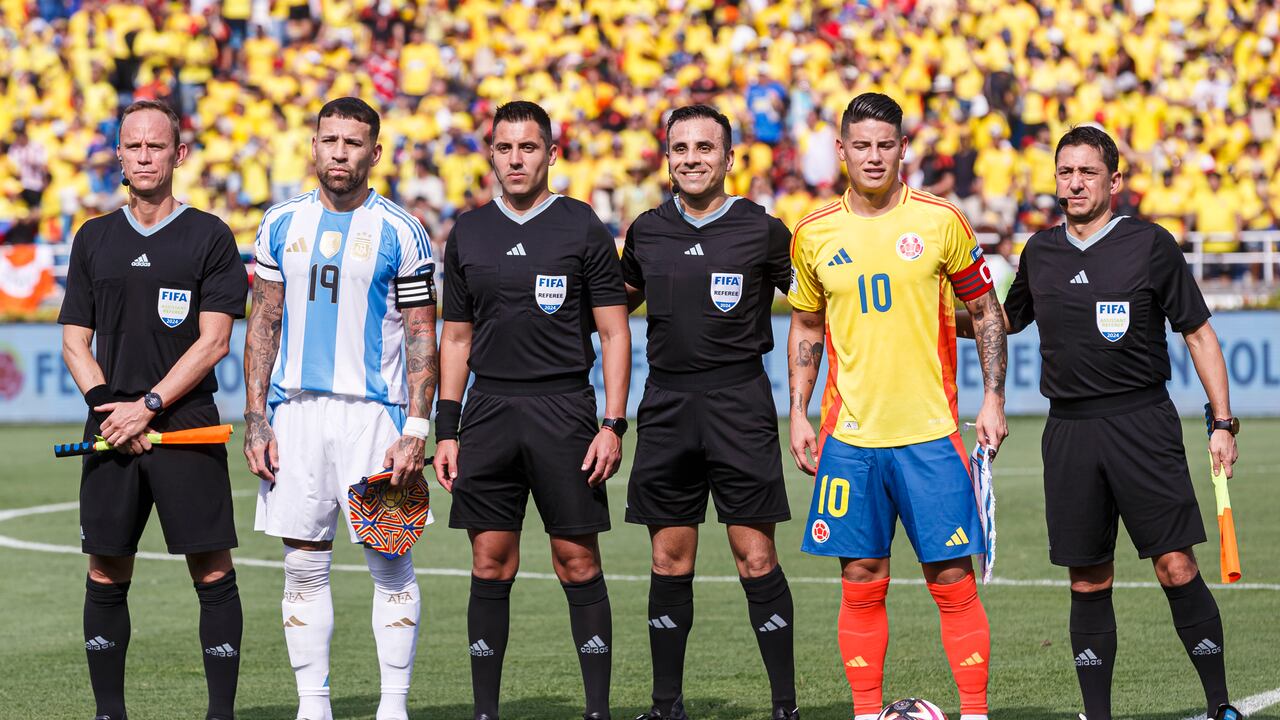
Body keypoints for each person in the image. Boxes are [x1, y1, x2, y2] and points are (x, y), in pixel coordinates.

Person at [994, 126, 1241, 720]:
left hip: (1142, 423)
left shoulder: (1151, 245)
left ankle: (1220, 705)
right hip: (1069, 432)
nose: (1074, 183)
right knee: (1087, 578)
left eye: (1087, 172)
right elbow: (1001, 323)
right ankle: (1097, 714)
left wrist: (1224, 422)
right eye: (1065, 173)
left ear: (1115, 181)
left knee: (1175, 564)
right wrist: (926, 305)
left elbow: (1199, 335)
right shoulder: (1040, 251)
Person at [787, 93, 1008, 720]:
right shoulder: (813, 231)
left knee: (952, 581)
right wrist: (798, 410)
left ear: (903, 148)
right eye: (862, 145)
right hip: (849, 439)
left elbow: (986, 311)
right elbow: (806, 327)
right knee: (859, 578)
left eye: (886, 144)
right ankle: (866, 713)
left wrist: (993, 396)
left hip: (931, 435)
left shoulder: (942, 220)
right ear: (842, 150)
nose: (875, 156)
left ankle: (974, 713)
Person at [432, 100, 631, 720]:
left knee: (577, 561)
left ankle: (596, 709)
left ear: (551, 153)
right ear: (491, 153)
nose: (515, 159)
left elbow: (615, 333)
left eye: (528, 147)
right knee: (490, 560)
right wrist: (447, 428)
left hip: (565, 409)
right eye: (504, 147)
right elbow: (457, 339)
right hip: (489, 412)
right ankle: (485, 711)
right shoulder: (469, 230)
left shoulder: (581, 225)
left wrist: (613, 423)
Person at [242, 97, 438, 720]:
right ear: (314, 145)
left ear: (374, 152)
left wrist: (415, 426)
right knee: (302, 566)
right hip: (296, 416)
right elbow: (264, 322)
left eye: (353, 143)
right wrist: (256, 418)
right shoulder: (279, 224)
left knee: (391, 565)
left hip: (374, 420)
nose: (340, 152)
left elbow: (420, 334)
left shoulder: (400, 231)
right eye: (330, 140)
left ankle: (394, 707)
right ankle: (313, 706)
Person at [58, 99, 247, 720]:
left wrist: (148, 406)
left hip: (184, 423)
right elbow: (73, 341)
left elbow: (215, 340)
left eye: (156, 146)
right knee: (107, 572)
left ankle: (220, 713)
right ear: (119, 153)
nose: (144, 156)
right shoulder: (93, 236)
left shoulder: (210, 236)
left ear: (179, 155)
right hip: (110, 424)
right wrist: (111, 409)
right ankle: (109, 712)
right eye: (133, 146)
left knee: (212, 570)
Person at [620, 104, 797, 720]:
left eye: (705, 148)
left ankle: (784, 707)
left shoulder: (763, 229)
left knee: (755, 555)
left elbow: (810, 305)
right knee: (669, 557)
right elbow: (615, 302)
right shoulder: (645, 230)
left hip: (739, 402)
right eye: (681, 148)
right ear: (667, 157)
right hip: (666, 404)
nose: (692, 158)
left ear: (729, 158)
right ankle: (666, 707)